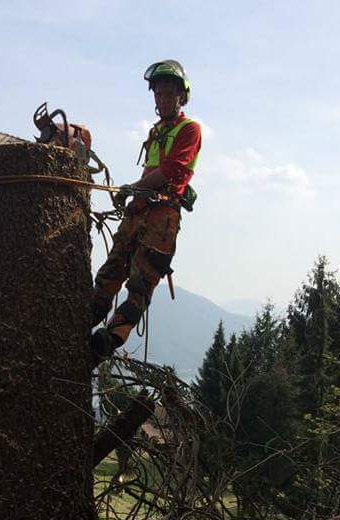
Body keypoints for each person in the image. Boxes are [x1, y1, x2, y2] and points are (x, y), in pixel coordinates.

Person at [90, 60, 202, 365]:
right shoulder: (156, 132)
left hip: (162, 218)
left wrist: (134, 187)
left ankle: (107, 340)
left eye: (169, 94)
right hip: (139, 212)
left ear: (181, 97)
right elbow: (154, 170)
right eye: (159, 94)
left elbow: (170, 171)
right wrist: (134, 194)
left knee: (140, 284)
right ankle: (80, 322)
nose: (163, 99)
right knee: (110, 273)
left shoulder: (189, 130)